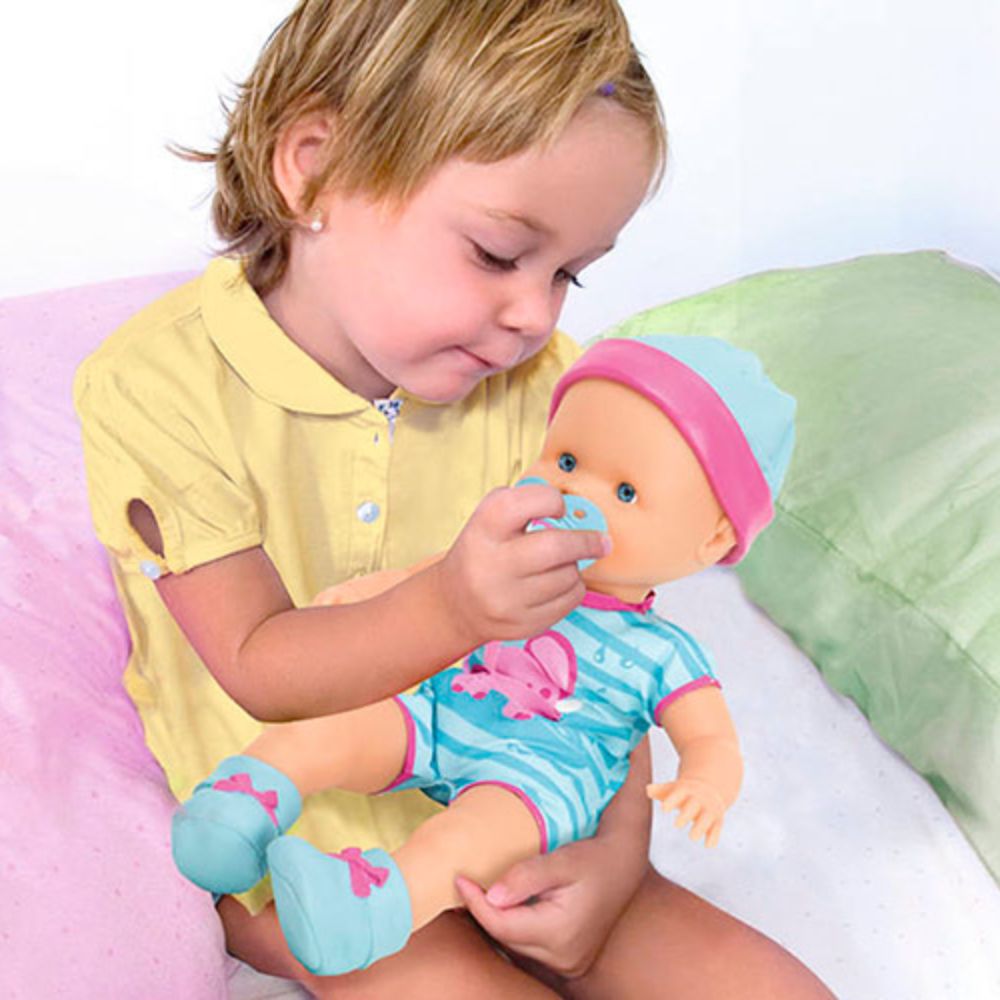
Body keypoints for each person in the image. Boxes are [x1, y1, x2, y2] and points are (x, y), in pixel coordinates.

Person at [74, 2, 834, 997]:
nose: (533, 314)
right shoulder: (156, 386)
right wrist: (455, 604)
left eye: (568, 275)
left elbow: (607, 644)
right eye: (497, 254)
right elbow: (258, 664)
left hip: (525, 793)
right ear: (313, 169)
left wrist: (613, 860)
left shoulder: (552, 392)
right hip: (301, 825)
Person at [170, 334, 788, 980]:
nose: (577, 494)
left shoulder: (664, 651)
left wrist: (705, 783)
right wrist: (362, 597)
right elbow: (432, 580)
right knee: (340, 730)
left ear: (711, 539)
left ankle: (370, 907)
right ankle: (237, 810)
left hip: (540, 781)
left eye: (626, 493)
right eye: (566, 460)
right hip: (442, 711)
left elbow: (710, 736)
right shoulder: (507, 556)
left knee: (466, 840)